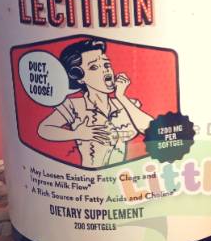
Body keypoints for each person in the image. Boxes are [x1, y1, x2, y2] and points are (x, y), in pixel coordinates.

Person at [37, 39, 154, 169]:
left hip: (123, 178)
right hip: (86, 178)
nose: (105, 70)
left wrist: (121, 97)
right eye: (94, 67)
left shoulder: (125, 104)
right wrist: (77, 134)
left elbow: (153, 130)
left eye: (106, 65)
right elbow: (44, 129)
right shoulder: (74, 106)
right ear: (79, 77)